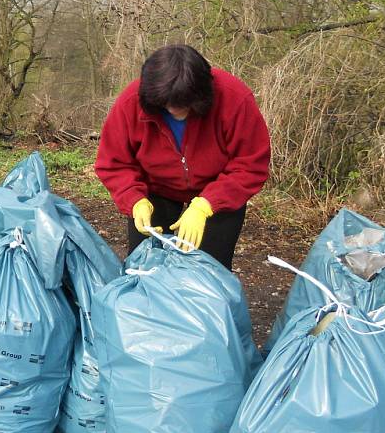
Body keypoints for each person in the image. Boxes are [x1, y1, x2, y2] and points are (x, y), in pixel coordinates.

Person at [95, 44, 271, 270]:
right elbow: (113, 162)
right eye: (165, 104)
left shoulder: (234, 99)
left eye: (182, 104)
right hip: (155, 190)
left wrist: (205, 205)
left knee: (209, 270)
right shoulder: (131, 102)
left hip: (218, 191)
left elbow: (250, 164)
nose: (173, 110)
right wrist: (134, 200)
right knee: (146, 267)